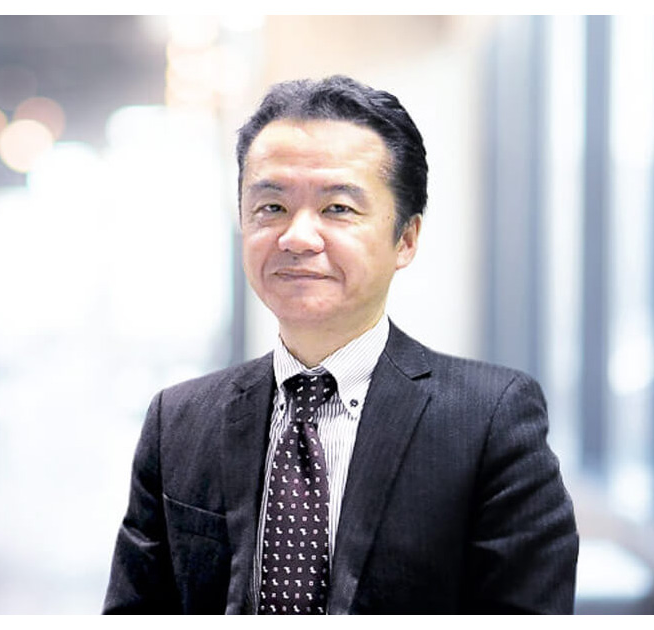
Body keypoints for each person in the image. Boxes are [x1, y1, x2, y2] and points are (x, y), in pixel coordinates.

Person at [102, 75, 578, 614]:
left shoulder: (489, 421)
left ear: (406, 239)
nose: (297, 237)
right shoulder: (178, 423)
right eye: (271, 207)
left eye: (338, 209)